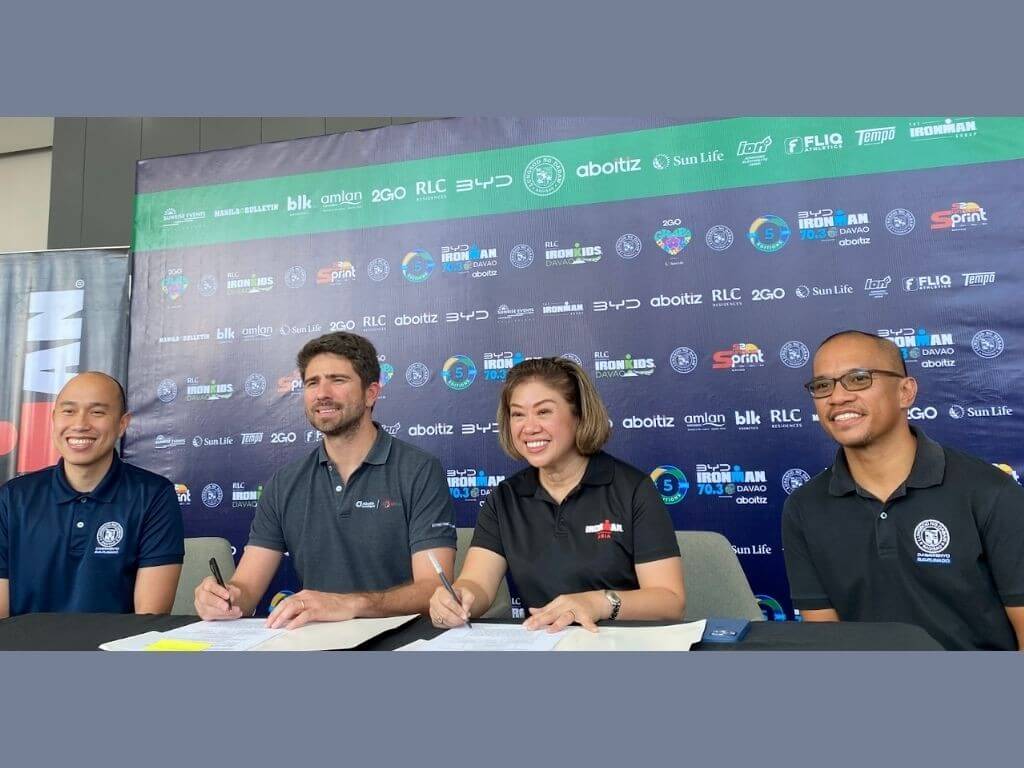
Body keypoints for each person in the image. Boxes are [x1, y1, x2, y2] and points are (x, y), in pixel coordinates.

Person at [194, 332, 456, 628]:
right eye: (312, 382)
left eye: (338, 380)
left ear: (371, 393)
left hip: (400, 642)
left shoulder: (419, 470)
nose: (322, 393)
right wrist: (224, 597)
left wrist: (353, 604)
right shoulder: (285, 483)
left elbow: (434, 589)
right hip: (312, 643)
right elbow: (247, 589)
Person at [782, 330, 1024, 650]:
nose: (837, 397)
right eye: (823, 385)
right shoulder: (803, 507)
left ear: (905, 392)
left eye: (858, 379)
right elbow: (828, 643)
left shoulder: (991, 492)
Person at [429, 357, 685, 632]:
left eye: (544, 412)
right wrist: (457, 598)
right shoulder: (505, 498)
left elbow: (670, 601)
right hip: (544, 645)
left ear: (579, 416)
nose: (529, 427)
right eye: (517, 414)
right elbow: (477, 583)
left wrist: (597, 603)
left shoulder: (634, 489)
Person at [0, 372, 184, 617]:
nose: (80, 424)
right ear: (53, 419)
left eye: (97, 412)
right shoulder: (12, 498)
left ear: (122, 423)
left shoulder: (154, 495)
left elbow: (148, 619)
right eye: (68, 411)